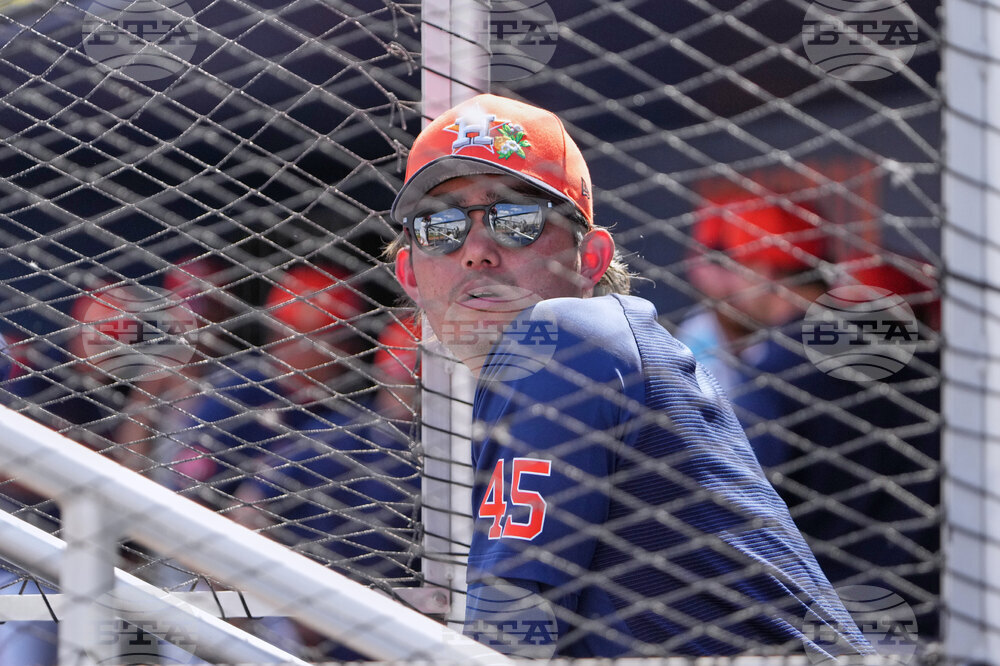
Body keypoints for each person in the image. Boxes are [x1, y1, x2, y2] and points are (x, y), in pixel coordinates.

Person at [386, 93, 873, 659]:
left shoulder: (570, 339)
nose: (476, 251)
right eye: (440, 227)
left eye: (515, 220)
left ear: (591, 259)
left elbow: (509, 637)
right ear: (410, 275)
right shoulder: (584, 359)